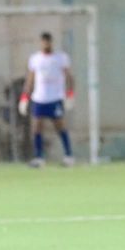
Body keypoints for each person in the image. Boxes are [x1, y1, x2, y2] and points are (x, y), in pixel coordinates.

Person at [19, 32, 75, 167]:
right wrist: (24, 98)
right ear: (40, 43)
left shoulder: (60, 58)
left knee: (60, 126)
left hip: (55, 97)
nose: (45, 44)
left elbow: (69, 77)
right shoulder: (35, 59)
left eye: (48, 42)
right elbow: (30, 79)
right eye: (43, 42)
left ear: (51, 42)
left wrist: (70, 94)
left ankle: (69, 156)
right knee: (36, 127)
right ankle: (39, 158)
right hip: (39, 98)